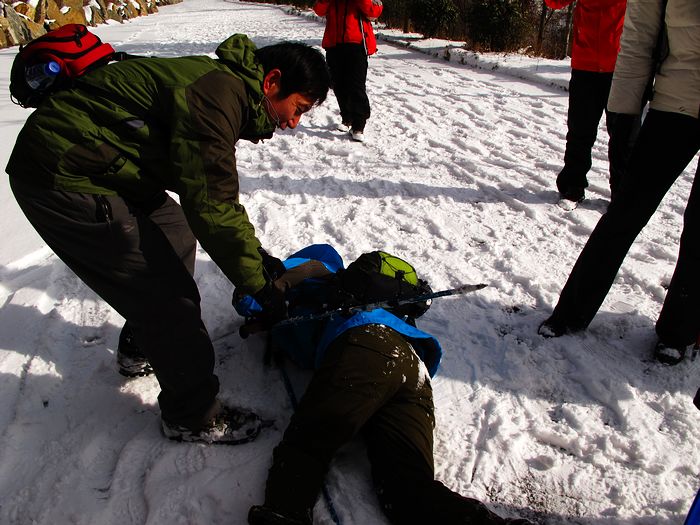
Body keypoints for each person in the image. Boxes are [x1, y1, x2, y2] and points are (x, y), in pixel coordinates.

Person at [5, 34, 330, 444]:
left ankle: (142, 345)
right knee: (168, 298)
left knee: (175, 232)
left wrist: (255, 260)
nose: (292, 123)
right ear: (271, 82)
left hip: (106, 164)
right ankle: (193, 416)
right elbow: (213, 205)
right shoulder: (219, 94)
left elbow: (207, 198)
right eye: (297, 108)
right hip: (62, 172)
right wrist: (260, 284)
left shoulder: (221, 85)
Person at [242, 244, 534, 525]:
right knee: (406, 490)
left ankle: (283, 514)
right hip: (411, 364)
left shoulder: (311, 271)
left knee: (309, 442)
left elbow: (247, 296)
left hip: (366, 345)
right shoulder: (346, 293)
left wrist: (271, 284)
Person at [539, 0, 700, 365]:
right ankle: (571, 312)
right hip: (676, 103)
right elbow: (639, 36)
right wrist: (624, 110)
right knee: (624, 212)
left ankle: (679, 330)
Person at [545, 0, 641, 203]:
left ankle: (623, 196)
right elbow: (553, 3)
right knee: (580, 130)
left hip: (623, 66)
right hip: (586, 65)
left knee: (625, 137)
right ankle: (572, 185)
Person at [313, 0, 383, 143]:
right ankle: (347, 117)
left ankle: (359, 124)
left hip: (356, 45)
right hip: (334, 44)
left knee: (356, 85)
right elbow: (319, 10)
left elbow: (375, 11)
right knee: (337, 83)